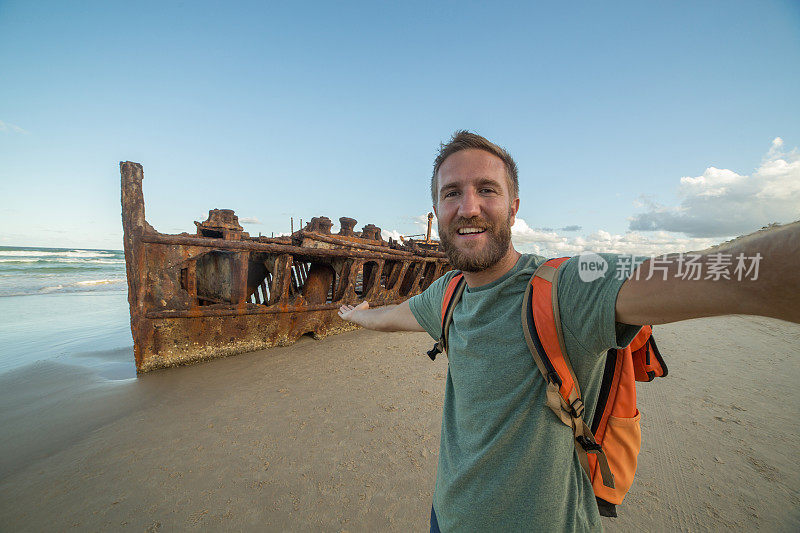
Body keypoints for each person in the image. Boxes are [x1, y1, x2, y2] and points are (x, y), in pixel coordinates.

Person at [338, 131, 799, 532]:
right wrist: (355, 315)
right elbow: (398, 315)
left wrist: (767, 269)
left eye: (486, 189)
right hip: (448, 517)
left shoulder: (569, 288)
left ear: (514, 208)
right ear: (438, 208)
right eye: (452, 192)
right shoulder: (449, 292)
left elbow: (725, 276)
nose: (468, 207)